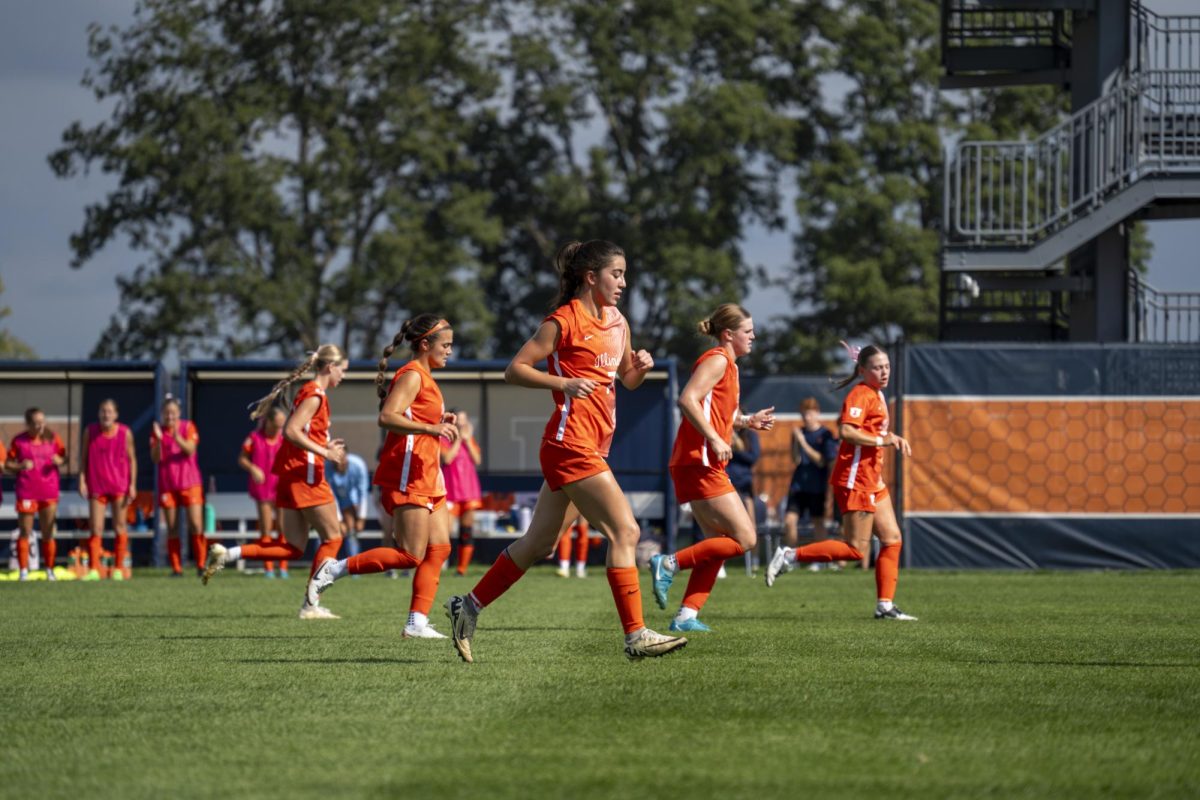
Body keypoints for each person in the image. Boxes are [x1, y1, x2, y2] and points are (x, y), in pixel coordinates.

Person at [444, 239, 688, 663]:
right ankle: (636, 636)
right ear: (590, 277)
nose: (623, 283)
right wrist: (564, 384)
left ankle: (468, 606)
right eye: (617, 274)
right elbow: (514, 369)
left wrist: (641, 368)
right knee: (625, 532)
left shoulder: (618, 322)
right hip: (569, 443)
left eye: (625, 274)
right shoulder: (563, 320)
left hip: (591, 445)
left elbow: (625, 379)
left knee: (540, 543)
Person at [309, 315, 458, 639]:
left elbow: (414, 415)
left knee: (440, 549)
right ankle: (335, 568)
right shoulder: (412, 375)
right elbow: (387, 417)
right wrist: (433, 426)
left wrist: (440, 418)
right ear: (425, 345)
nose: (449, 351)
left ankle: (417, 622)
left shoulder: (427, 377)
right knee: (410, 555)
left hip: (429, 472)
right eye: (445, 345)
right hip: (408, 473)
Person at [765, 343, 917, 621]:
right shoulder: (861, 394)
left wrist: (889, 437)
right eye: (877, 367)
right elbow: (847, 431)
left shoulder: (877, 394)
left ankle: (885, 606)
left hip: (872, 479)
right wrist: (885, 439)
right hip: (855, 479)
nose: (884, 372)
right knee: (855, 550)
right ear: (862, 370)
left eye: (886, 366)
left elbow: (870, 431)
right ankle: (789, 555)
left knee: (892, 539)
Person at [648, 304, 775, 632]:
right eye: (748, 331)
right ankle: (668, 563)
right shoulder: (719, 359)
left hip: (695, 461)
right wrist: (717, 440)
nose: (754, 336)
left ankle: (686, 616)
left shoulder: (729, 366)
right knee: (745, 538)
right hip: (700, 459)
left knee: (718, 541)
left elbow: (716, 411)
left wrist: (747, 421)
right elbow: (688, 399)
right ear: (729, 334)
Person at [203, 345, 348, 620]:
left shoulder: (309, 392)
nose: (343, 375)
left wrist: (325, 443)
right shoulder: (315, 395)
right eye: (343, 369)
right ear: (330, 367)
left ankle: (226, 554)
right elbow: (291, 431)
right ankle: (310, 604)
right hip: (306, 477)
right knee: (333, 537)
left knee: (292, 547)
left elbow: (302, 432)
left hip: (292, 475)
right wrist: (325, 452)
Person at [779, 396, 842, 573]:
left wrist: (804, 443)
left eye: (810, 414)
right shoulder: (799, 433)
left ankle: (819, 559)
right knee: (789, 521)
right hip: (798, 486)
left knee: (818, 522)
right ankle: (791, 558)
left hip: (817, 486)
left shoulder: (825, 434)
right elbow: (796, 459)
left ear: (817, 414)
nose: (807, 418)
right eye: (804, 414)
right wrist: (796, 443)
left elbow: (822, 461)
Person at [78, 399, 137, 581]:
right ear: (98, 413)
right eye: (103, 411)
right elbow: (83, 458)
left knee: (120, 526)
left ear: (116, 414)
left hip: (119, 485)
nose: (106, 415)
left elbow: (132, 459)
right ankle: (94, 569)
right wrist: (82, 480)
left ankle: (119, 568)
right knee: (96, 528)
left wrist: (132, 484)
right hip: (97, 485)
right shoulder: (90, 431)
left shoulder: (125, 433)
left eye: (110, 411)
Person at [6, 408, 66, 581]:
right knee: (25, 530)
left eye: (43, 421)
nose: (40, 426)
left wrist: (59, 460)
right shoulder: (19, 441)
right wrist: (20, 466)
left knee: (48, 531)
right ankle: (23, 571)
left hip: (49, 491)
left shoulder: (53, 438)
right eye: (36, 422)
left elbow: (64, 457)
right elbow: (8, 464)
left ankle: (49, 570)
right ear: (28, 424)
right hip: (27, 491)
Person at [151, 395, 205, 576]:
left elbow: (190, 449)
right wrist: (159, 440)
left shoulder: (188, 427)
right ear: (162, 414)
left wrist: (175, 436)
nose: (170, 417)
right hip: (168, 484)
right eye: (167, 413)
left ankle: (201, 564)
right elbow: (155, 458)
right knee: (172, 527)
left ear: (179, 413)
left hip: (190, 483)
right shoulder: (157, 431)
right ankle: (176, 568)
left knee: (196, 524)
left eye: (173, 413)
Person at [238, 407, 289, 578]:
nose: (279, 428)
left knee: (283, 528)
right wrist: (253, 468)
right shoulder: (254, 438)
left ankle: (283, 567)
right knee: (266, 528)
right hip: (263, 488)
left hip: (280, 487)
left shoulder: (284, 438)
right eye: (277, 424)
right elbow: (242, 459)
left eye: (282, 424)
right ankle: (268, 568)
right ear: (268, 422)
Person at [441, 408, 483, 576]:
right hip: (450, 492)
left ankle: (461, 569)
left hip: (469, 491)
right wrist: (458, 440)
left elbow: (477, 460)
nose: (462, 425)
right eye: (459, 421)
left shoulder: (469, 440)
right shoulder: (443, 440)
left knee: (466, 531)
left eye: (465, 421)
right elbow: (447, 458)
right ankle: (439, 565)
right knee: (445, 532)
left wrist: (467, 440)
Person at [328, 451, 370, 558]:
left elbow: (362, 493)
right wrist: (339, 520)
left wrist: (361, 518)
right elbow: (331, 495)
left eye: (341, 461)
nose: (339, 465)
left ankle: (354, 563)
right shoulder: (326, 467)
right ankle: (323, 564)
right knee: (327, 532)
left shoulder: (358, 465)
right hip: (329, 502)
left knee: (350, 531)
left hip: (349, 501)